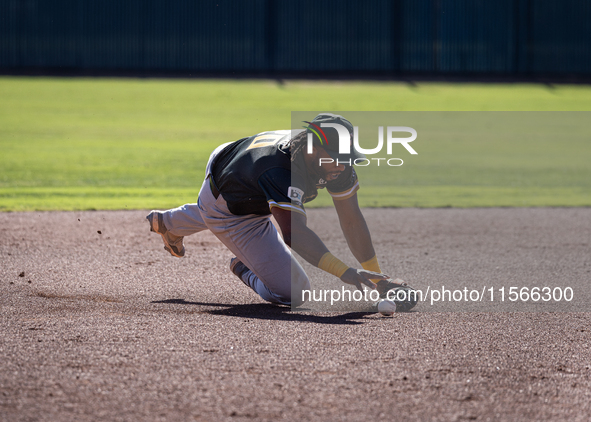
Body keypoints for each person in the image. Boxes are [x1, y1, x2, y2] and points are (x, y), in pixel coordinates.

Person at [147, 113, 406, 308]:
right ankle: (245, 265)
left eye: (346, 155)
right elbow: (294, 234)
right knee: (294, 293)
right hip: (229, 204)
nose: (342, 163)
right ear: (313, 148)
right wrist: (345, 272)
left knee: (260, 199)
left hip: (238, 166)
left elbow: (351, 220)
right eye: (337, 156)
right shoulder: (280, 170)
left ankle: (169, 222)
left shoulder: (330, 161)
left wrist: (380, 279)